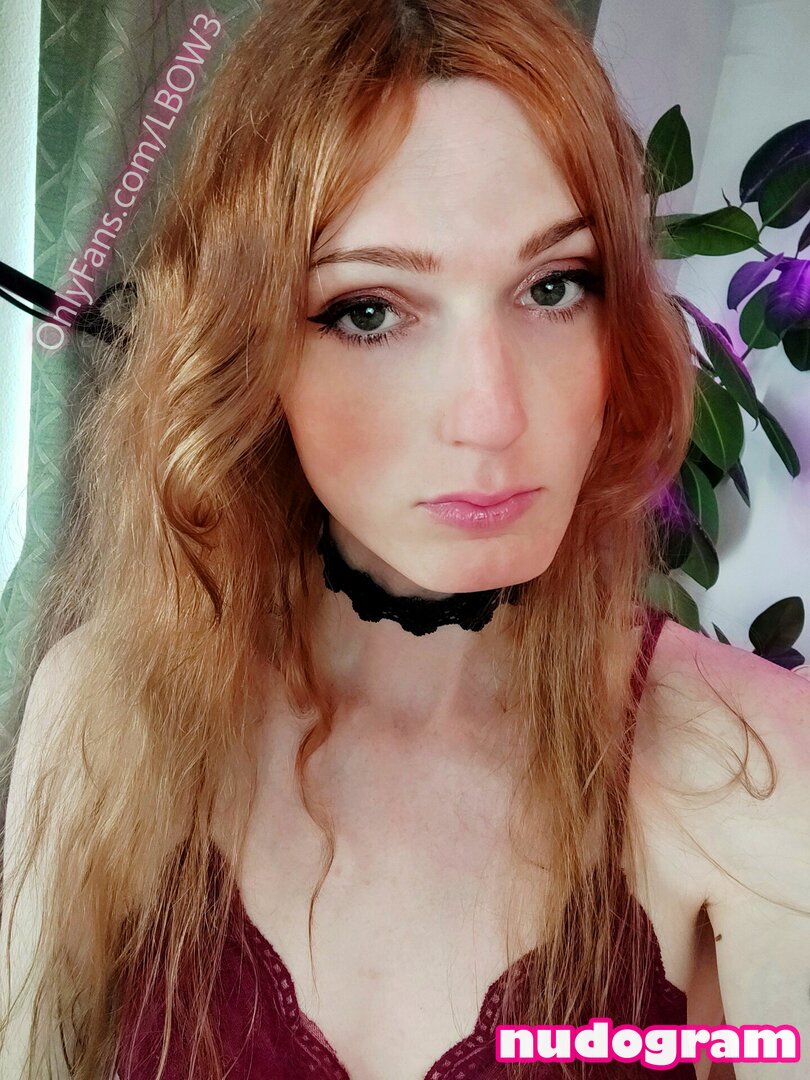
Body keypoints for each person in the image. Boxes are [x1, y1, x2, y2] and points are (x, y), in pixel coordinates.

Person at [2, 1, 809, 1078]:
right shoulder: (108, 713)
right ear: (248, 349)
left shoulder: (753, 762)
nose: (491, 416)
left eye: (554, 287)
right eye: (371, 311)